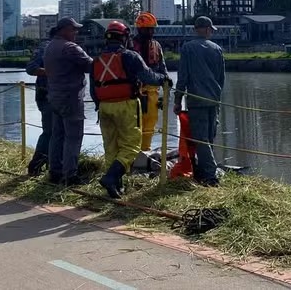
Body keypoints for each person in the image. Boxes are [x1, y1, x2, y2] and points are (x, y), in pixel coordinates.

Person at [90, 20, 170, 199]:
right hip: (126, 104)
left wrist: (99, 105)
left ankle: (115, 186)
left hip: (104, 107)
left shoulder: (96, 60)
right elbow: (148, 76)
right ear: (124, 38)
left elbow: (93, 88)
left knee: (111, 147)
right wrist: (164, 79)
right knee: (132, 146)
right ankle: (111, 178)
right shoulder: (130, 56)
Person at [173, 16, 225, 186]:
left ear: (196, 29)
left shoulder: (188, 48)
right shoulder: (217, 49)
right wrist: (217, 96)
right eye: (211, 30)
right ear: (207, 29)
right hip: (214, 100)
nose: (211, 33)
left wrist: (177, 100)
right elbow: (221, 78)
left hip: (197, 101)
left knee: (201, 139)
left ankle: (210, 176)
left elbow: (183, 77)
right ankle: (205, 171)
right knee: (209, 137)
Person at [43, 17, 93, 185]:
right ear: (64, 30)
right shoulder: (70, 47)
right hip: (70, 98)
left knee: (57, 136)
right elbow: (91, 65)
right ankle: (70, 175)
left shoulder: (50, 46)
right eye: (73, 29)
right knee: (73, 137)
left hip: (54, 97)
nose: (76, 32)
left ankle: (55, 172)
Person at [131, 11, 168, 151]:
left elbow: (163, 70)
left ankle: (145, 152)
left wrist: (165, 96)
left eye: (152, 29)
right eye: (148, 29)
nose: (151, 32)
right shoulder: (130, 46)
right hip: (134, 94)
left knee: (150, 125)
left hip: (152, 94)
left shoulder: (156, 46)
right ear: (140, 29)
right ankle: (132, 154)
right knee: (134, 127)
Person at [25, 26, 56, 176]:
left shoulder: (55, 47)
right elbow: (31, 68)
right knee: (50, 132)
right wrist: (54, 73)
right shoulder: (46, 47)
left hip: (52, 96)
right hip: (47, 96)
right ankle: (36, 164)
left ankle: (51, 165)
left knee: (54, 132)